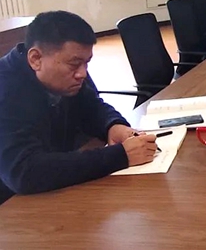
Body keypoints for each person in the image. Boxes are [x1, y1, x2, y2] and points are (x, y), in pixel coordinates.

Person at [0, 11, 157, 205]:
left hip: (53, 189)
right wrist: (120, 156)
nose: (82, 74)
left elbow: (92, 107)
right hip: (12, 205)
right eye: (74, 64)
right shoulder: (6, 90)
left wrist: (113, 125)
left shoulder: (66, 78)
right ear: (35, 59)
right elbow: (23, 172)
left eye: (86, 63)